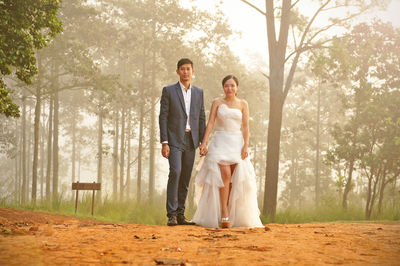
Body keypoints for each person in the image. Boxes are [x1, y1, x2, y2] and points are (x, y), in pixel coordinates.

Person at [192, 75, 263, 228]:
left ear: (237, 88)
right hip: (220, 141)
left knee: (233, 179)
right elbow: (211, 122)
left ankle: (230, 210)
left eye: (232, 86)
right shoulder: (217, 102)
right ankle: (224, 211)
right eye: (226, 86)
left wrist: (246, 145)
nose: (229, 88)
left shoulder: (243, 104)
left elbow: (245, 127)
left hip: (236, 142)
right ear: (223, 87)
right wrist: (204, 143)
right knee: (224, 174)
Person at [159, 58, 206, 226]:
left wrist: (203, 141)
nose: (185, 72)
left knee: (186, 177)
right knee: (176, 172)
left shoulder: (199, 93)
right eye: (182, 69)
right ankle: (171, 214)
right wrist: (164, 142)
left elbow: (201, 117)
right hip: (174, 139)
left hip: (191, 140)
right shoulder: (169, 91)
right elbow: (163, 116)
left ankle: (180, 214)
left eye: (188, 69)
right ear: (177, 71)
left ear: (193, 71)